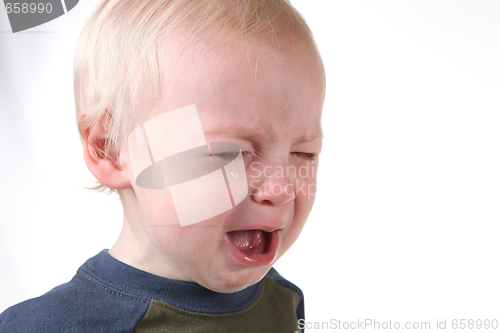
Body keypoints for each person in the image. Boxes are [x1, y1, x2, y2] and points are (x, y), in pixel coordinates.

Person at [0, 0, 325, 331]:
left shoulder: (283, 299)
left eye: (304, 153)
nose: (282, 189)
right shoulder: (50, 326)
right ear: (110, 149)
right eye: (232, 153)